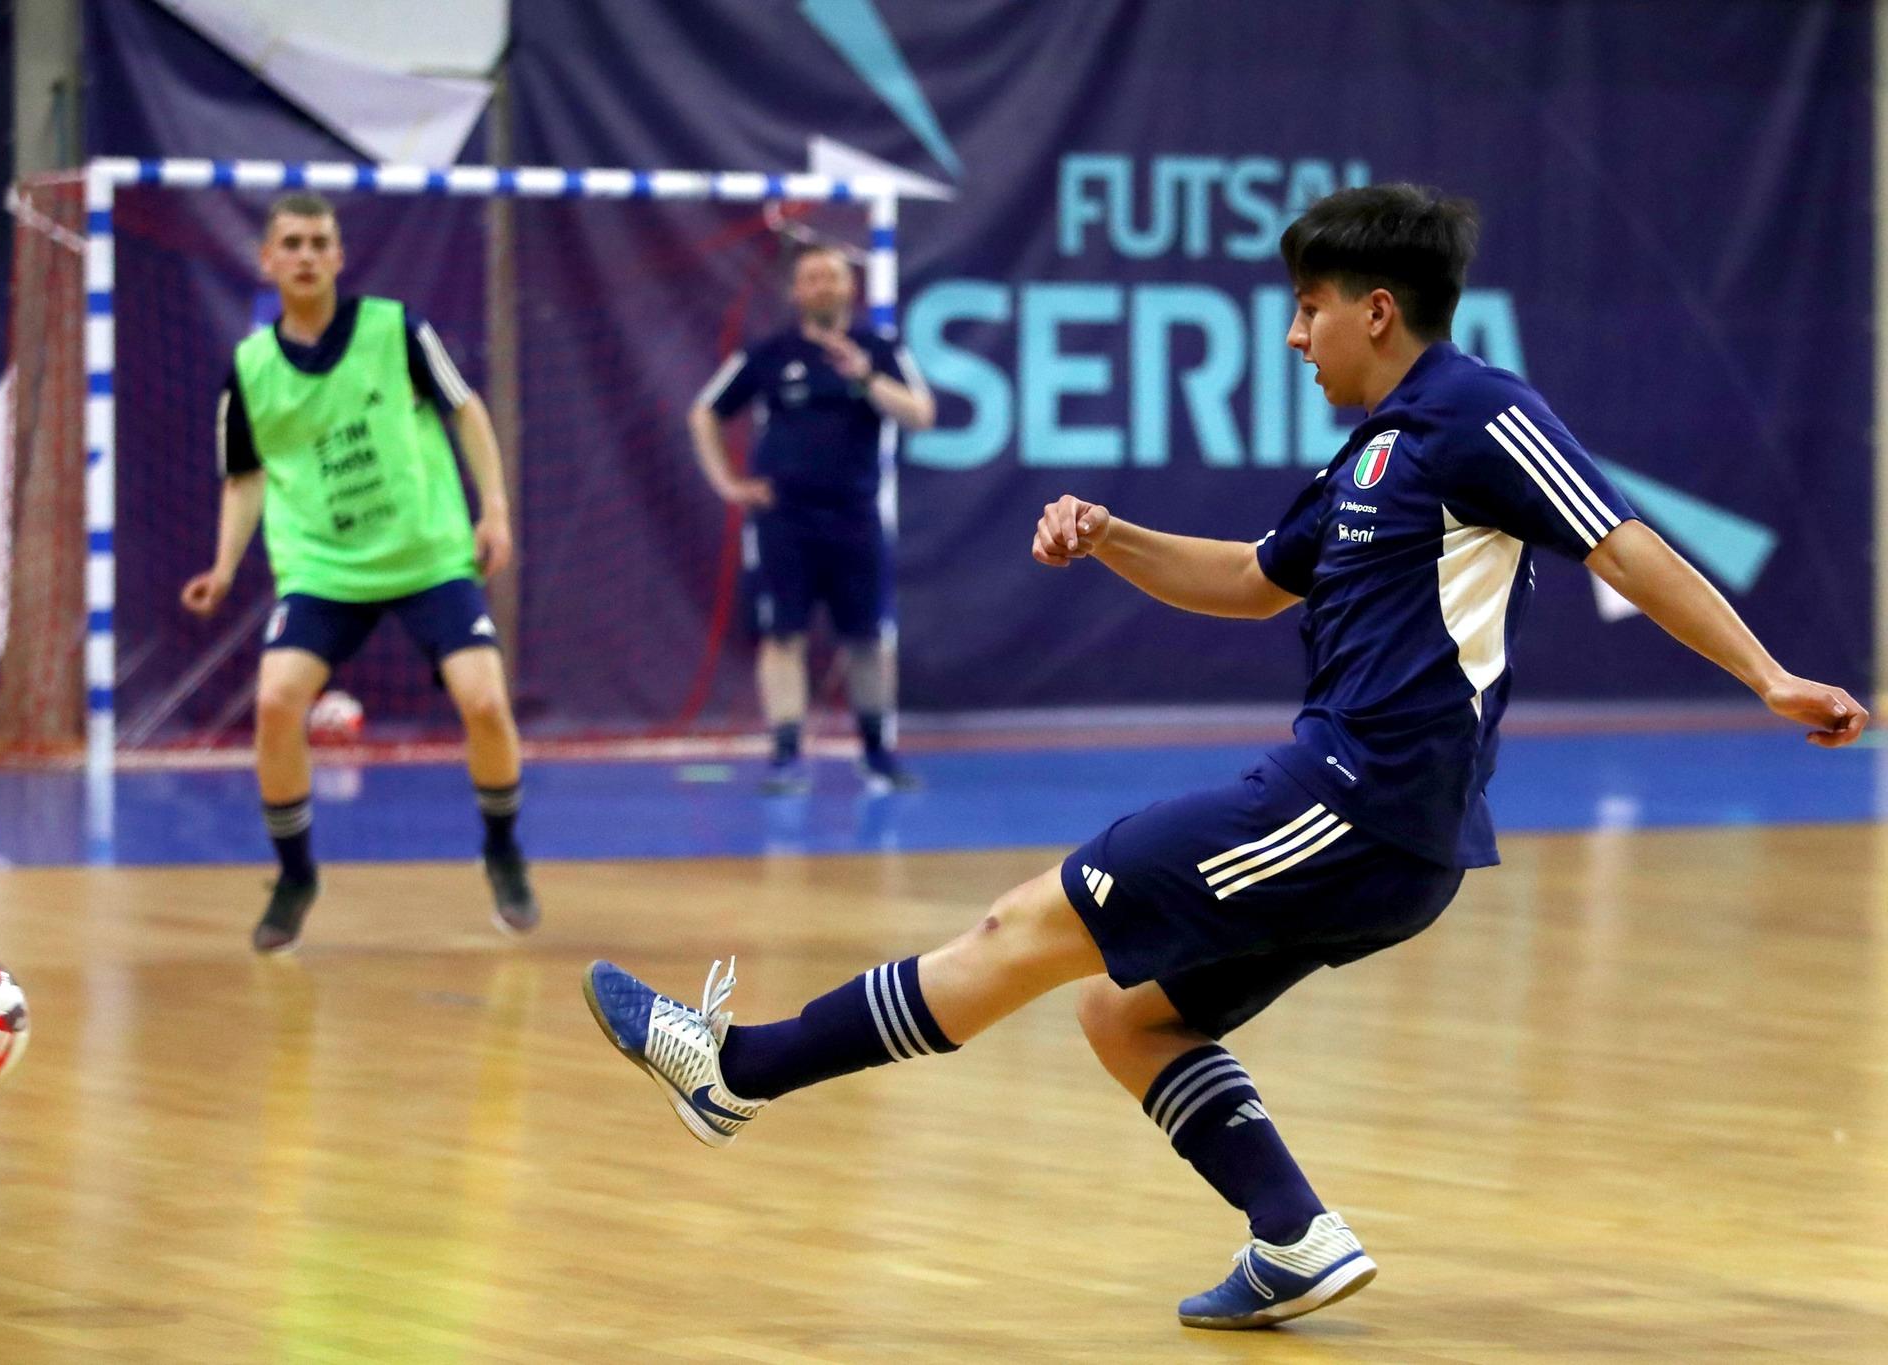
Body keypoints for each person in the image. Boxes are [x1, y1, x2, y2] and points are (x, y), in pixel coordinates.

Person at [582, 184, 1868, 1329]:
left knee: (1022, 927)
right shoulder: (1367, 453)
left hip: (1359, 801)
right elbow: (1256, 583)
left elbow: (1619, 542)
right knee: (1127, 1013)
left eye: (1308, 310)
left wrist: (1765, 676)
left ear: (1377, 310)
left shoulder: (1480, 413)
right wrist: (1110, 533)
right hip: (1379, 827)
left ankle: (734, 1072)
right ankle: (1295, 1240)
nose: (1296, 336)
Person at [181, 192, 538, 953]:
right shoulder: (249, 367)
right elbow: (243, 477)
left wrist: (494, 509)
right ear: (268, 260)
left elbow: (466, 410)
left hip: (427, 552)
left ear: (339, 257)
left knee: (485, 703)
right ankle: (294, 873)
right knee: (277, 702)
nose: (307, 255)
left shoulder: (395, 328)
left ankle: (502, 848)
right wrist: (221, 565)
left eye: (319, 242)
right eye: (292, 243)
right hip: (321, 565)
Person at [688, 243, 936, 794]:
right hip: (785, 519)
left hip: (855, 517)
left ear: (851, 287)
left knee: (868, 636)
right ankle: (785, 755)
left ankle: (877, 753)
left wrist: (866, 376)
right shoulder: (769, 354)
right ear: (796, 292)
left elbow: (920, 413)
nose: (823, 286)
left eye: (832, 277)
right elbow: (705, 411)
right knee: (783, 634)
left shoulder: (879, 348)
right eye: (811, 278)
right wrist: (727, 483)